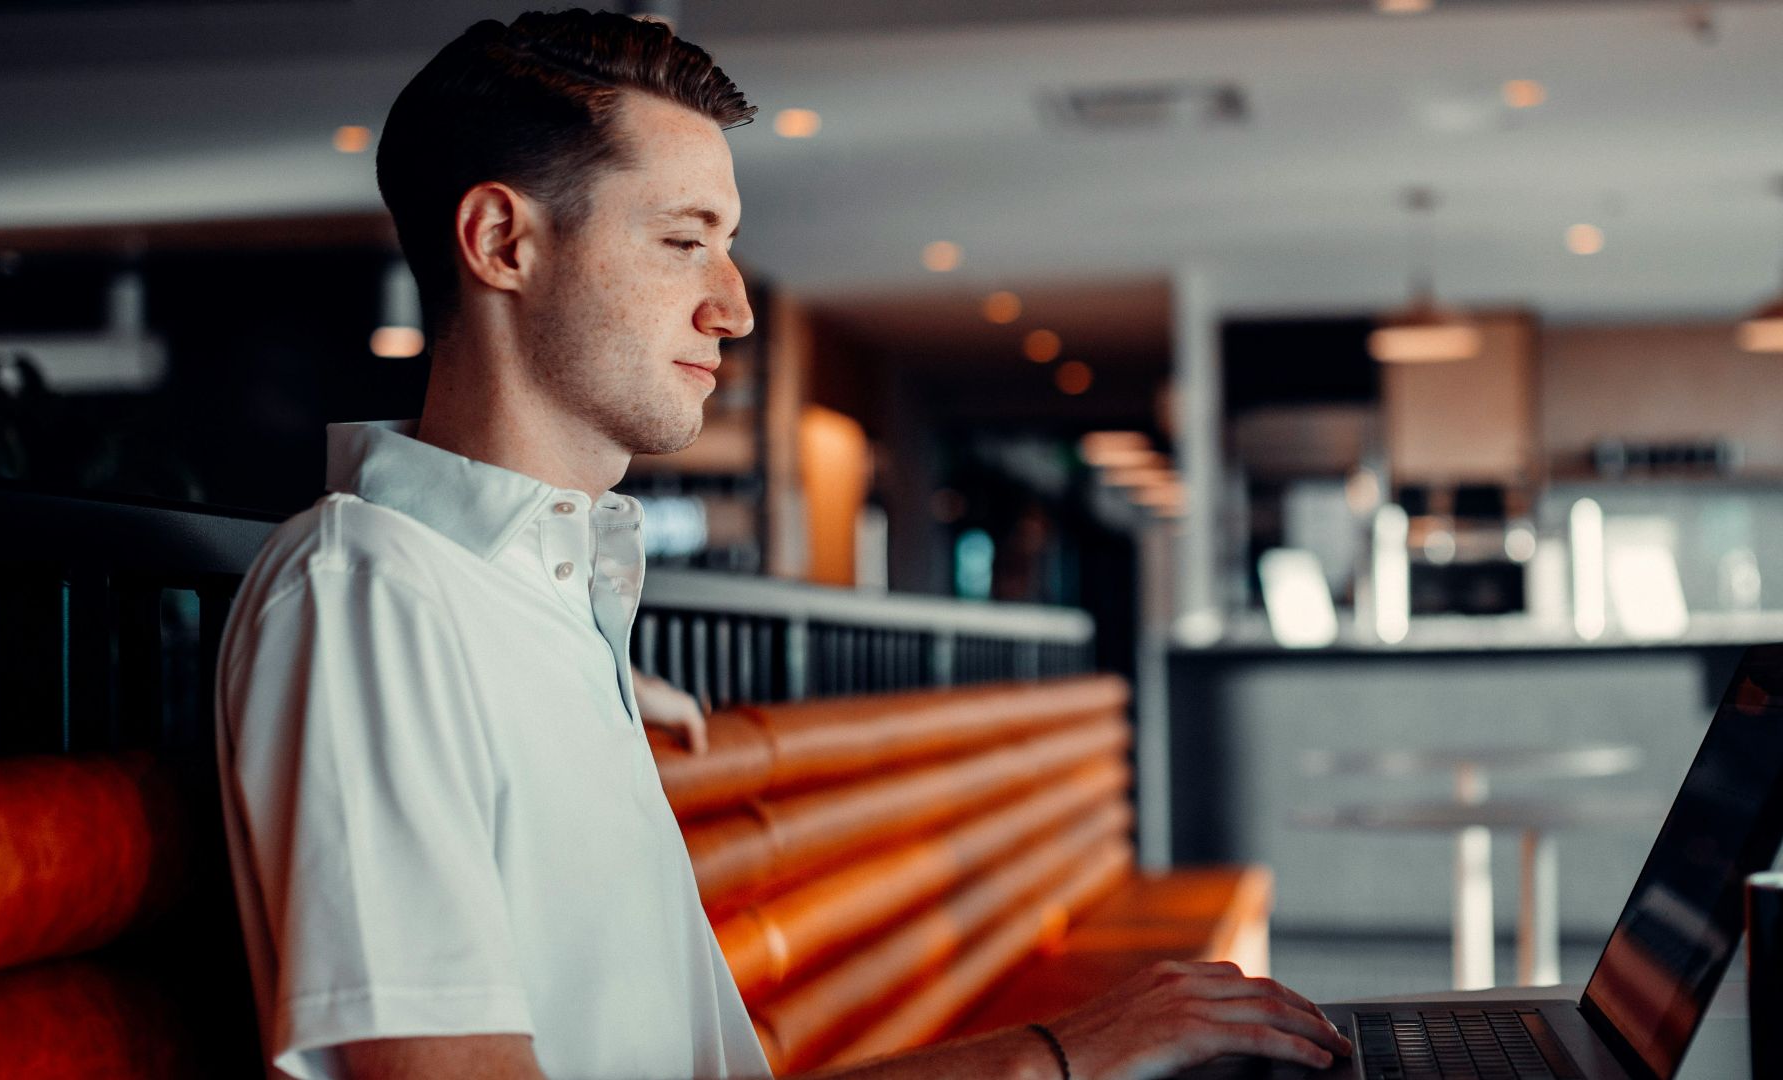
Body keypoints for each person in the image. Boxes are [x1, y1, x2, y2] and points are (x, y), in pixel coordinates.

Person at [213, 10, 1353, 1080]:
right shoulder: (368, 594)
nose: (735, 308)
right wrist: (1052, 1056)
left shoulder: (520, 603)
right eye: (682, 242)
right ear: (503, 241)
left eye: (728, 248)